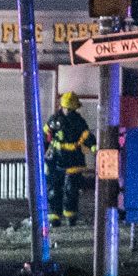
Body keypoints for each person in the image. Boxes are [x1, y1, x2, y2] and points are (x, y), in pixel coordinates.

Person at [44, 92, 95, 227]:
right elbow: (44, 135)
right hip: (56, 160)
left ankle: (70, 216)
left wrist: (95, 148)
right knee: (54, 189)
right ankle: (54, 216)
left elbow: (87, 136)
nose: (70, 111)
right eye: (69, 109)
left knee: (71, 189)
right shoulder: (54, 120)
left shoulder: (79, 121)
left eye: (72, 109)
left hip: (73, 160)